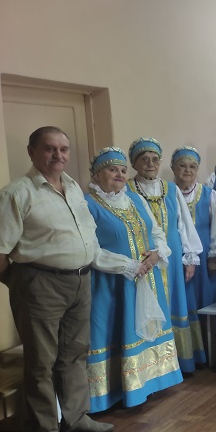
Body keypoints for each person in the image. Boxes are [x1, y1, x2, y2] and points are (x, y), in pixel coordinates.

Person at [0, 127, 114, 432]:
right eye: (50, 149)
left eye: (63, 149)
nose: (58, 155)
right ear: (32, 151)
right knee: (41, 361)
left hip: (80, 281)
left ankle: (75, 417)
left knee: (75, 353)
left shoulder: (74, 187)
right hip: (39, 284)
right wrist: (23, 284)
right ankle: (44, 431)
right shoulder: (17, 194)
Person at [84, 147, 183, 412]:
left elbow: (157, 231)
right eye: (112, 170)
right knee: (113, 332)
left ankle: (148, 383)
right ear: (97, 174)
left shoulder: (135, 199)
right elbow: (90, 249)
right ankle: (112, 392)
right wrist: (127, 265)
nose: (119, 175)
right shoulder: (88, 204)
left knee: (145, 332)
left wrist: (157, 253)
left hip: (147, 278)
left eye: (122, 170)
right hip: (112, 284)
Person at [127, 137, 204, 372]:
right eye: (144, 159)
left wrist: (190, 257)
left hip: (171, 257)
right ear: (134, 163)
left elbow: (184, 224)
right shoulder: (127, 189)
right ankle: (153, 367)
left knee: (174, 305)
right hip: (143, 257)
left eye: (154, 159)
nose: (150, 164)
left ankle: (179, 362)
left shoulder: (171, 189)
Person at [172, 147, 216, 357]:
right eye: (182, 166)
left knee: (204, 300)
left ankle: (206, 352)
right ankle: (184, 353)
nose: (187, 170)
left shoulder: (208, 194)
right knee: (180, 302)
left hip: (205, 257)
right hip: (175, 256)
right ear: (173, 168)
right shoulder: (168, 193)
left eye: (192, 166)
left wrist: (214, 255)